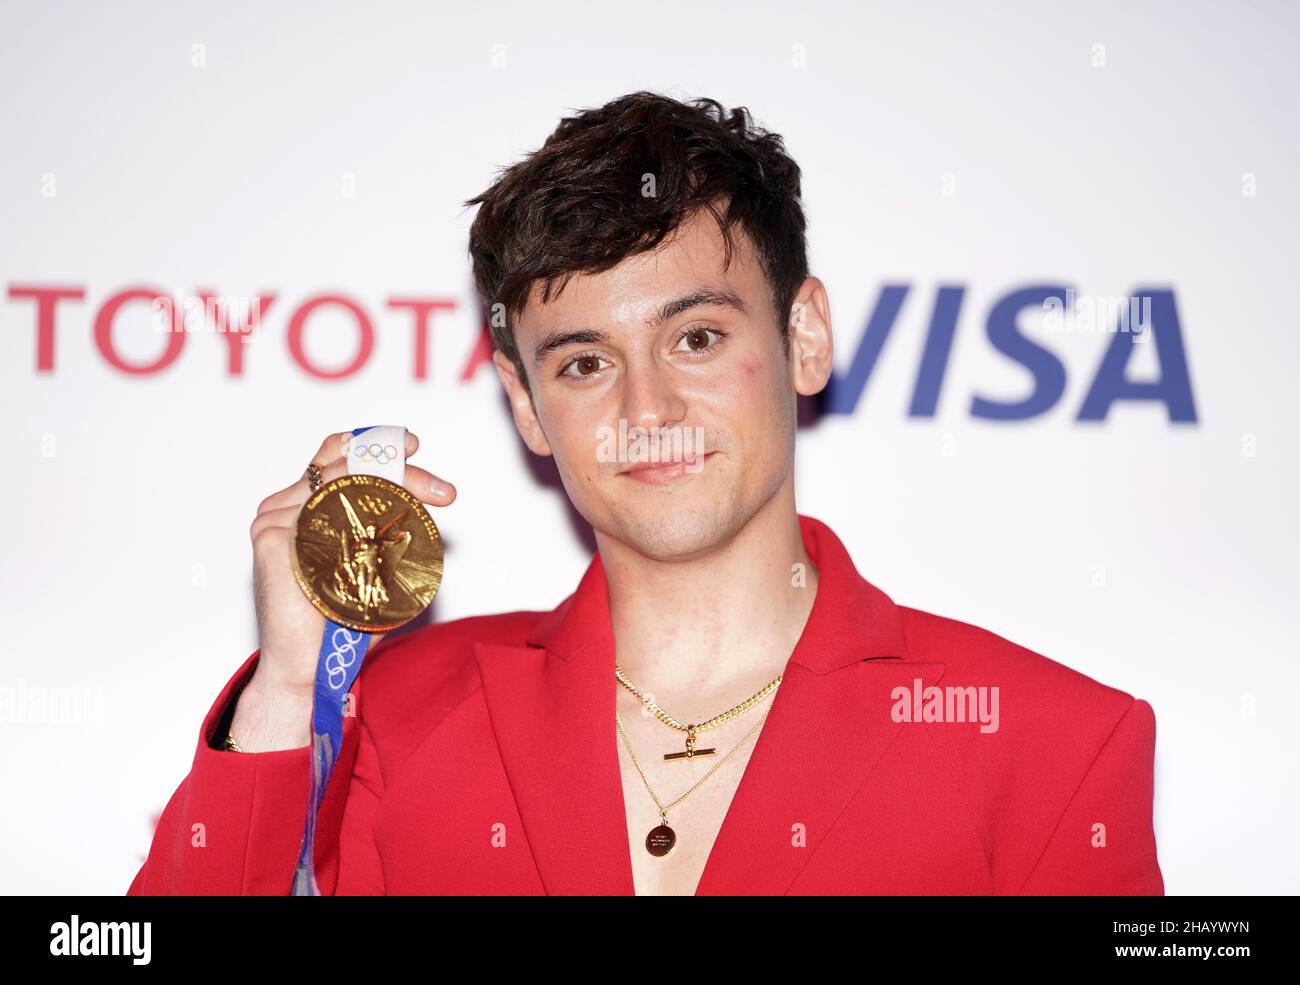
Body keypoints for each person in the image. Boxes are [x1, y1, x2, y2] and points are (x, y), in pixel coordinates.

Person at [127, 91, 1163, 896]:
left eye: (697, 337)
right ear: (527, 407)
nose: (646, 403)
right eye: (583, 363)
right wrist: (287, 688)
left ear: (802, 336)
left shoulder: (1050, 740)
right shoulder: (397, 713)